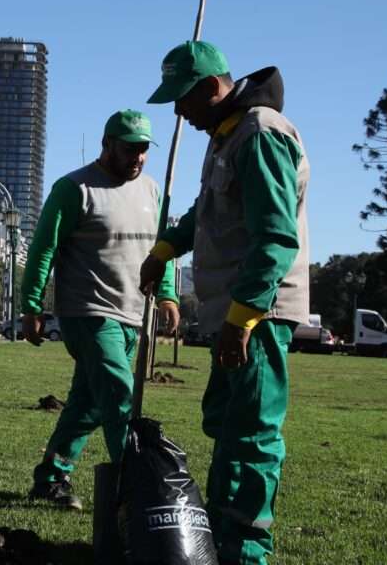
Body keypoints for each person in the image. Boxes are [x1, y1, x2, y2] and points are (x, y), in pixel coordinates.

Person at [139, 41, 309, 565]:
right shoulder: (226, 137)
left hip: (259, 314)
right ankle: (222, 534)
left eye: (182, 99)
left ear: (213, 88)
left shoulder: (260, 134)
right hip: (234, 314)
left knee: (253, 433)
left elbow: (276, 238)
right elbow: (208, 211)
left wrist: (243, 319)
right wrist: (167, 246)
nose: (176, 112)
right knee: (225, 423)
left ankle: (248, 552)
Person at [22, 109, 179, 510]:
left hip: (133, 315)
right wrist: (32, 306)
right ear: (107, 144)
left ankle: (51, 478)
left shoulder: (151, 191)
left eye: (144, 150)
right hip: (88, 313)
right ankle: (136, 489)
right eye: (130, 149)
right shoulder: (74, 188)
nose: (138, 158)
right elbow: (44, 248)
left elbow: (161, 249)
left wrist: (167, 294)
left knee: (88, 404)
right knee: (118, 395)